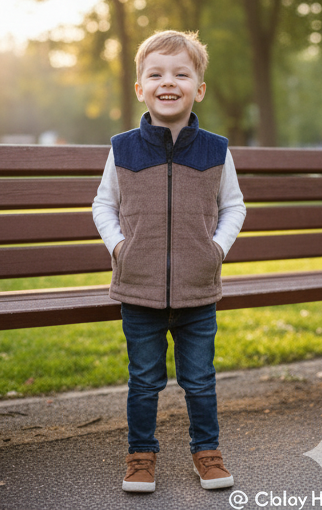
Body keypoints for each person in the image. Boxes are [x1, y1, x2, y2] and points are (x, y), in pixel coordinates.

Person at [92, 30, 246, 494]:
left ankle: (208, 452)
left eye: (181, 73)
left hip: (198, 292)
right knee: (144, 381)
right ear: (140, 88)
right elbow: (103, 205)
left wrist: (216, 248)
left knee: (200, 380)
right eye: (156, 73)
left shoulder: (216, 150)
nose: (168, 81)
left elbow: (235, 205)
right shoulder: (123, 148)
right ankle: (141, 455)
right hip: (137, 290)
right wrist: (119, 246)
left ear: (198, 88)